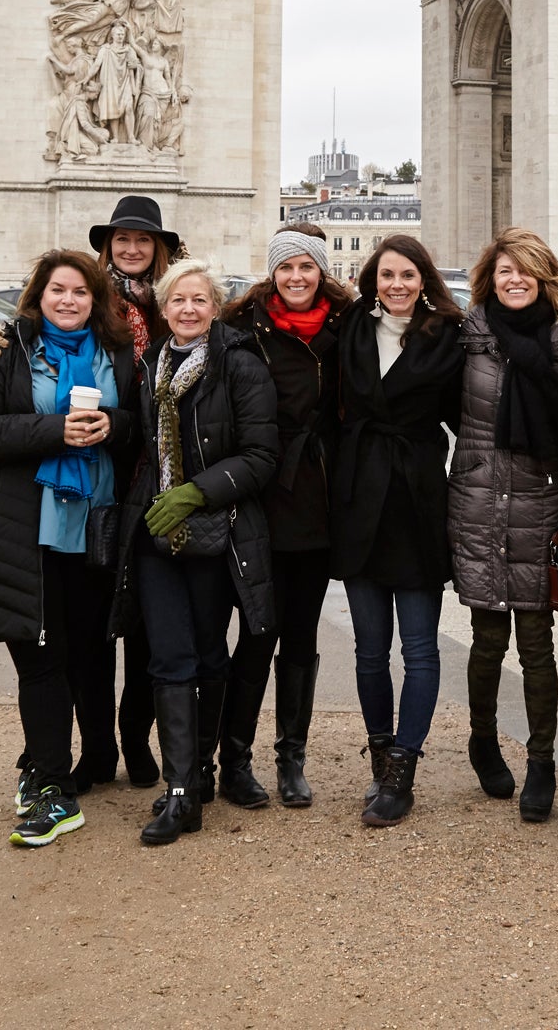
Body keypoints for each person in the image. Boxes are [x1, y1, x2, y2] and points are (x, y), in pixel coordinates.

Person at [0, 250, 136, 846]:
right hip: (27, 527)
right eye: (59, 290)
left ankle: (88, 759)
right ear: (38, 294)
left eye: (82, 291)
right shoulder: (7, 353)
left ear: (96, 300)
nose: (70, 300)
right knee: (39, 654)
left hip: (96, 528)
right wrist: (55, 430)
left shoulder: (119, 355)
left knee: (88, 650)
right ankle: (51, 783)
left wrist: (115, 424)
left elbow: (140, 423)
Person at [113, 258, 279, 846]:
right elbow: (135, 436)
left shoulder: (240, 365)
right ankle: (182, 790)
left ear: (215, 308)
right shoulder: (151, 366)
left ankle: (202, 772)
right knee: (169, 657)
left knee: (209, 655)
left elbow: (262, 456)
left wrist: (194, 493)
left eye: (199, 300)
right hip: (156, 536)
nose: (188, 310)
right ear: (163, 309)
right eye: (178, 300)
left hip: (216, 533)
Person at [217, 228, 351, 808]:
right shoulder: (239, 332)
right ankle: (234, 760)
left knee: (299, 636)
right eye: (286, 267)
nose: (297, 276)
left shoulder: (349, 328)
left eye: (307, 266)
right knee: (256, 632)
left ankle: (291, 758)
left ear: (322, 271)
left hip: (318, 500)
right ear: (270, 274)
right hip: (259, 498)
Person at [333, 235, 464, 827]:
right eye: (387, 274)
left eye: (407, 274)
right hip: (360, 495)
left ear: (424, 279)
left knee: (418, 648)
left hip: (416, 499)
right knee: (367, 649)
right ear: (372, 280)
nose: (397, 284)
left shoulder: (449, 336)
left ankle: (404, 767)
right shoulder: (351, 326)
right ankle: (381, 754)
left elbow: (473, 414)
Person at [448, 229, 558, 824]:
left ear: (544, 275)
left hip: (539, 499)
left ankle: (542, 762)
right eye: (505, 271)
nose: (515, 280)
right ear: (489, 278)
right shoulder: (467, 337)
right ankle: (482, 740)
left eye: (526, 270)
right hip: (477, 498)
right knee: (486, 641)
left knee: (537, 644)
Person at [90, 194, 182, 789]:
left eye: (142, 240)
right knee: (96, 624)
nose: (131, 248)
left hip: (155, 482)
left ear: (160, 250)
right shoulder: (91, 304)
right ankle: (97, 747)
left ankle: (135, 737)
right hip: (104, 477)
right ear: (108, 246)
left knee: (149, 625)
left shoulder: (178, 305)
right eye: (122, 239)